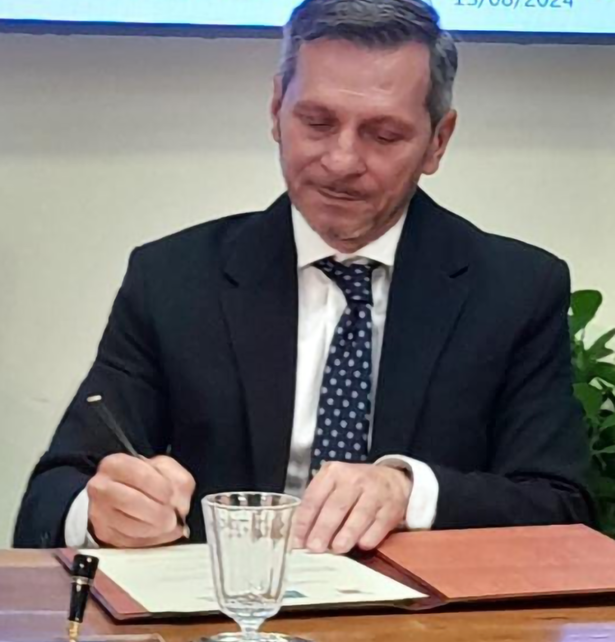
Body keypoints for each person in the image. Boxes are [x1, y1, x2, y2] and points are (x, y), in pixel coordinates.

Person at [14, 0, 592, 552]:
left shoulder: (514, 290)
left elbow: (560, 505)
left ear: (437, 141)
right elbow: (49, 501)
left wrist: (411, 493)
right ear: (276, 111)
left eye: (383, 135)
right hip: (226, 605)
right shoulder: (174, 280)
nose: (341, 161)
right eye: (316, 122)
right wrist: (102, 513)